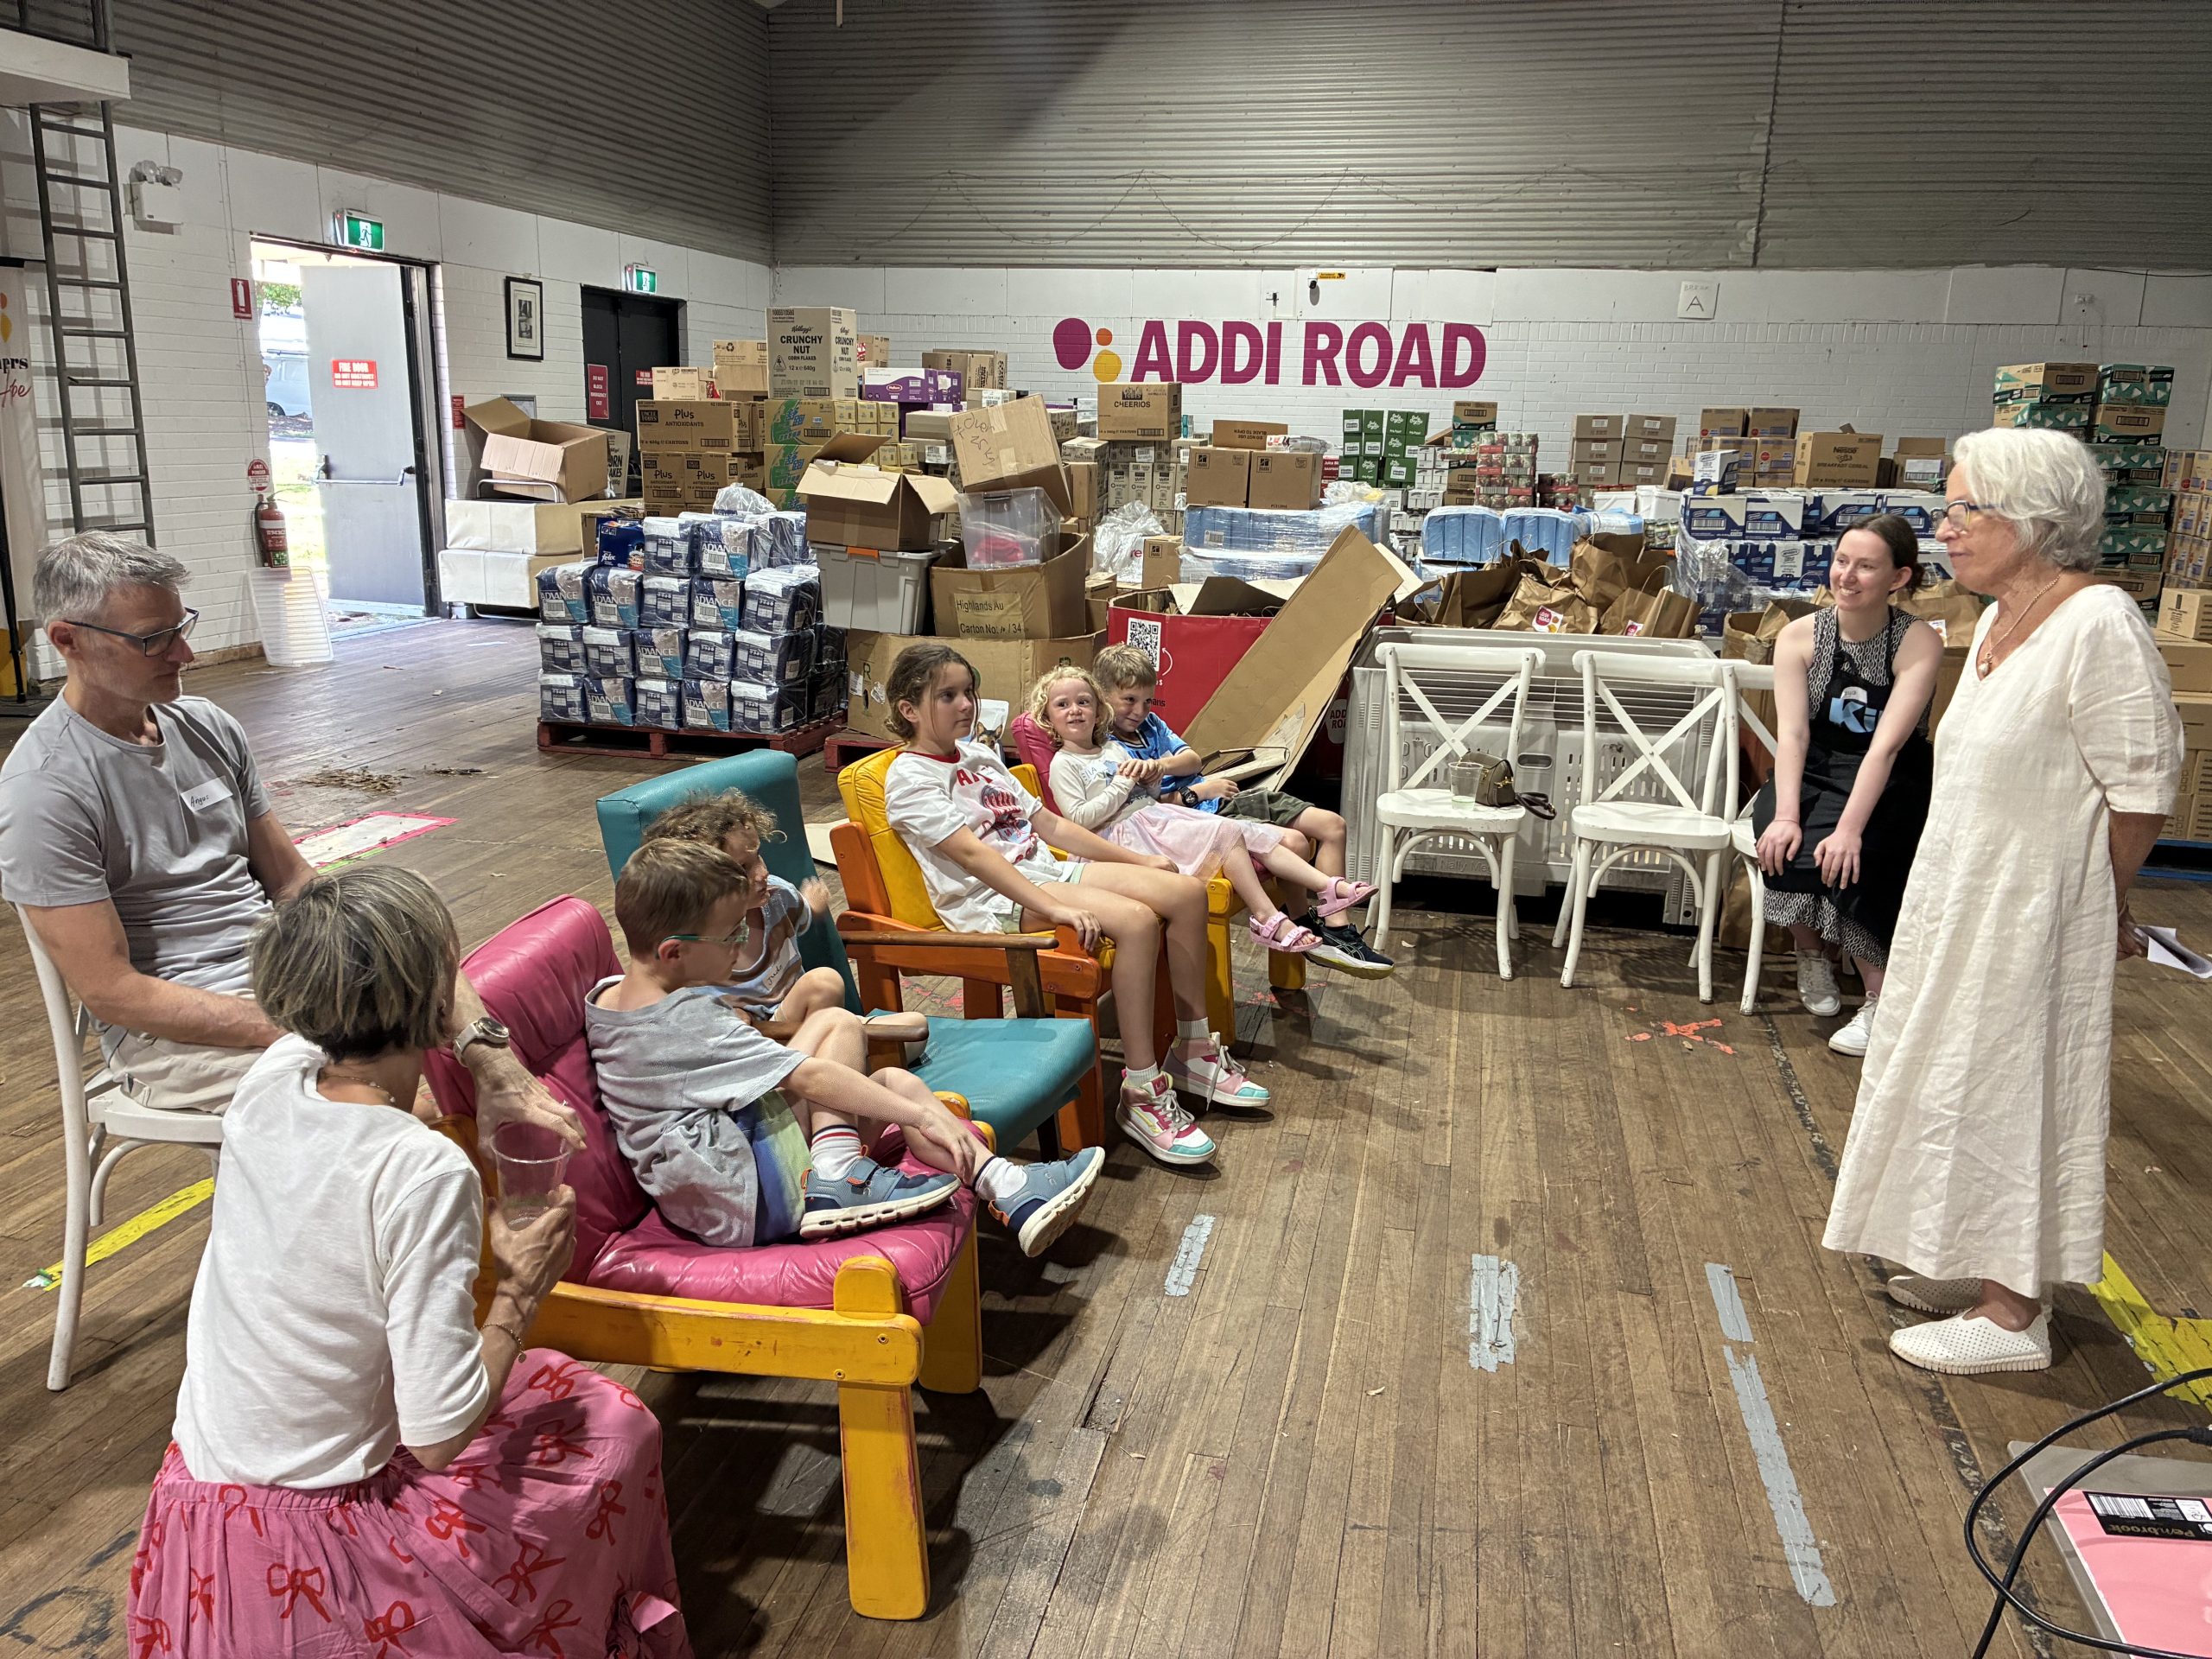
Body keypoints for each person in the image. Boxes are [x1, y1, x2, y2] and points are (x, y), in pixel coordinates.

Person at [127, 864, 689, 1657]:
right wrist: (521, 1290)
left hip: (198, 1522)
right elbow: (435, 1435)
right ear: (432, 1002)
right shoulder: (422, 1170)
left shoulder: (270, 1080)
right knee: (615, 1429)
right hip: (325, 1545)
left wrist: (485, 1065)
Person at [0, 531, 581, 1149]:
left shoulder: (205, 726)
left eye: (181, 627)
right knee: (400, 1108)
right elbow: (114, 992)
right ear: (68, 640)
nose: (185, 653)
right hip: (176, 1031)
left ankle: (502, 1077)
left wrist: (384, 946)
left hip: (281, 973)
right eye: (154, 639)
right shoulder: (45, 790)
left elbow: (293, 881)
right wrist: (307, 1026)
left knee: (413, 922)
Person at [1822, 427, 2183, 1376]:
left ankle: (2016, 1312)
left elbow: (2142, 789)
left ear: (2033, 520)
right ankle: (1975, 1261)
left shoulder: (2097, 624)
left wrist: (2098, 904)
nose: (1945, 528)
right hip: (1963, 897)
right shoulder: (1990, 623)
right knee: (1955, 1081)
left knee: (2019, 1094)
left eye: (1963, 510)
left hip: (2034, 910)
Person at [587, 836, 1102, 1256]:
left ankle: (1010, 1189)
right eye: (730, 935)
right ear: (673, 952)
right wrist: (923, 1117)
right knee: (844, 1032)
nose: (741, 942)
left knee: (891, 1077)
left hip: (723, 1174)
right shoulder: (683, 1023)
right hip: (746, 1195)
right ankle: (835, 1175)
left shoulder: (613, 997)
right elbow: (809, 1076)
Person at [880, 642, 1261, 1168]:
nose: (965, 705)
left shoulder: (979, 756)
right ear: (908, 708)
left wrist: (1137, 861)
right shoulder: (910, 777)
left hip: (1046, 871)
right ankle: (1142, 1088)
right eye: (947, 696)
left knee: (1186, 892)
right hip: (992, 900)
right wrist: (1052, 907)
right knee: (1136, 921)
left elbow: (1051, 826)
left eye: (968, 692)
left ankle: (1192, 1049)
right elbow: (972, 855)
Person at [1028, 666, 1393, 979]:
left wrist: (1150, 777)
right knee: (1226, 829)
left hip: (1155, 817)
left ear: (1097, 709)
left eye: (1083, 702)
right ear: (1048, 717)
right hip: (1124, 836)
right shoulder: (1064, 763)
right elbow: (1080, 819)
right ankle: (1267, 916)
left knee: (1251, 831)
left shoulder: (1112, 749)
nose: (1075, 710)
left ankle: (1328, 887)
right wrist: (1124, 784)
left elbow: (1150, 794)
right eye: (1063, 705)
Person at [1752, 514, 1942, 1057]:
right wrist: (1786, 814)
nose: (1847, 576)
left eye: (1866, 567)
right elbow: (1793, 734)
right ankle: (1812, 955)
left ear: (1899, 578)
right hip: (1814, 763)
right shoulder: (1799, 636)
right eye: (1841, 561)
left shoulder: (1917, 642)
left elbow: (1884, 748)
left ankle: (1881, 1001)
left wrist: (1851, 830)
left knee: (1861, 859)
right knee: (1782, 844)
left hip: (1891, 773)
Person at [641, 788, 927, 1044]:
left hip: (799, 1026)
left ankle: (834, 1062)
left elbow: (803, 912)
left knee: (914, 1026)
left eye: (758, 856)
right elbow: (683, 1010)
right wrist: (729, 1015)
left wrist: (814, 906)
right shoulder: (693, 945)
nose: (762, 873)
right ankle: (830, 1068)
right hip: (757, 1043)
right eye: (743, 868)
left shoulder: (779, 898)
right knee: (824, 983)